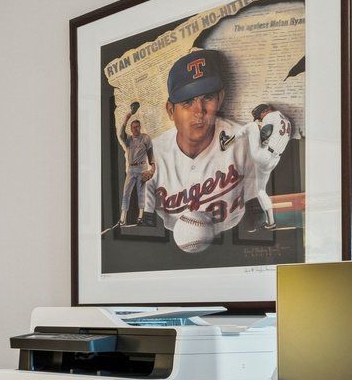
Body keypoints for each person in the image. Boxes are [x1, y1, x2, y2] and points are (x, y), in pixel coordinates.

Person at [145, 48, 275, 254]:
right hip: (168, 250)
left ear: (220, 98)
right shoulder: (152, 153)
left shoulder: (244, 143)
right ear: (171, 110)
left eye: (207, 97)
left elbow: (257, 205)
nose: (199, 111)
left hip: (234, 242)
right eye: (187, 101)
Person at [246, 103, 295, 229]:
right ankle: (271, 223)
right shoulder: (285, 119)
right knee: (261, 190)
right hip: (276, 157)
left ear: (264, 112)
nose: (260, 119)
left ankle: (227, 141)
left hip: (267, 155)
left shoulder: (269, 116)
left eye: (259, 117)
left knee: (251, 128)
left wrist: (258, 133)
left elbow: (264, 134)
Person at [116, 104, 155, 227]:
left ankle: (140, 217)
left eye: (137, 127)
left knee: (141, 193)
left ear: (140, 127)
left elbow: (150, 154)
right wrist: (129, 115)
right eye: (133, 127)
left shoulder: (145, 138)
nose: (136, 129)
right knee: (126, 193)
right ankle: (122, 219)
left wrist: (152, 168)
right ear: (131, 129)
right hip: (131, 169)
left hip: (142, 168)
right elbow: (121, 133)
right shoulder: (128, 139)